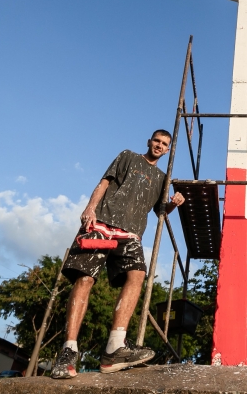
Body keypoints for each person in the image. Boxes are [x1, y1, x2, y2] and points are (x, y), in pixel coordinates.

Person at [51, 130, 185, 379]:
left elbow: (160, 211)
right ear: (149, 142)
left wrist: (173, 204)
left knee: (138, 274)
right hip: (102, 222)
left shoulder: (162, 178)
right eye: (157, 141)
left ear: (167, 150)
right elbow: (104, 182)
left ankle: (115, 346)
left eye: (164, 144)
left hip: (131, 233)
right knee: (85, 278)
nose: (159, 145)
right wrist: (90, 208)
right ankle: (68, 350)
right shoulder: (128, 156)